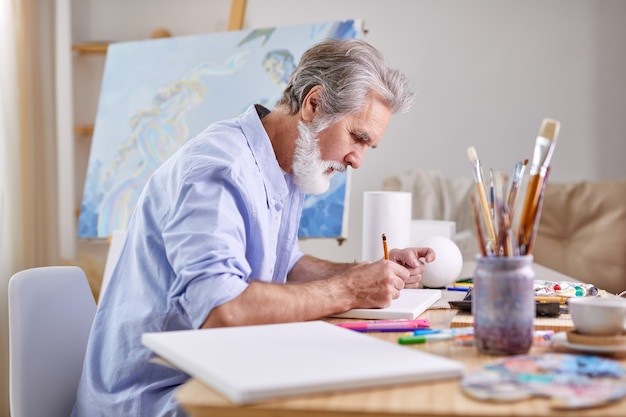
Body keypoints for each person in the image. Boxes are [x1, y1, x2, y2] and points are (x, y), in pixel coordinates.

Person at [72, 38, 435, 417]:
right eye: (357, 138)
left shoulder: (284, 165)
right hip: (157, 397)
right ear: (314, 104)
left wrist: (367, 272)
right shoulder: (220, 169)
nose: (357, 160)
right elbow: (221, 310)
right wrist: (349, 289)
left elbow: (286, 264)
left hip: (214, 374)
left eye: (368, 146)